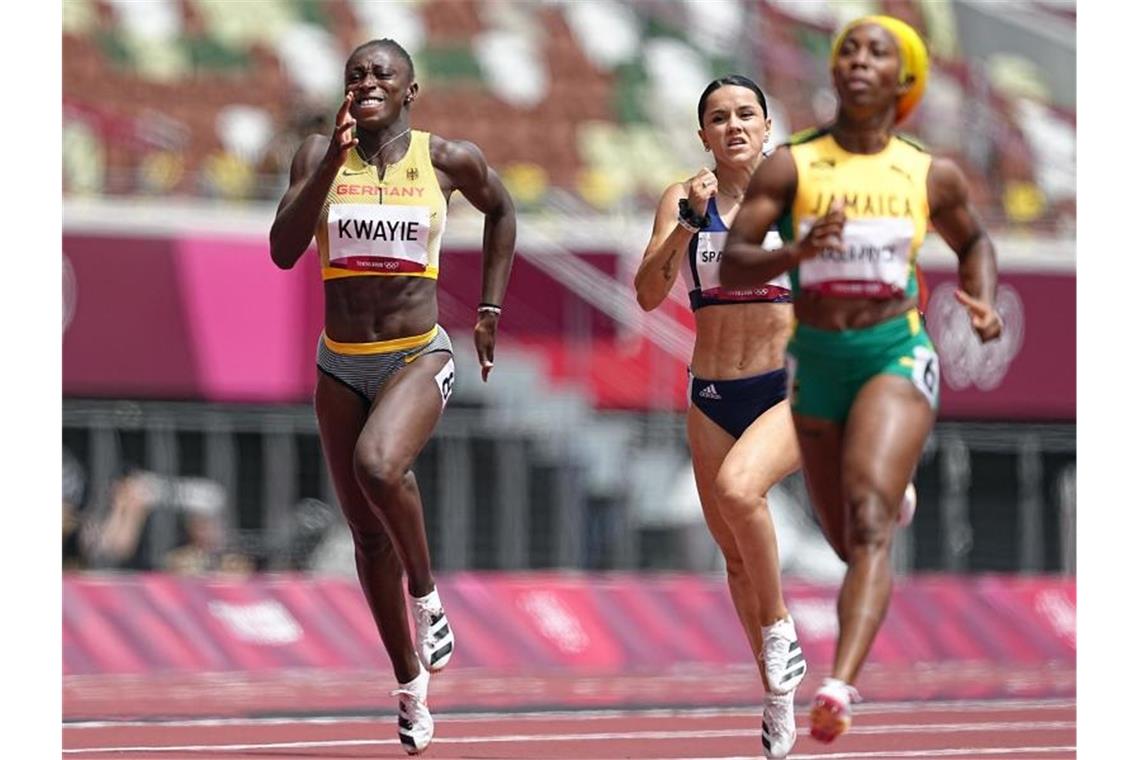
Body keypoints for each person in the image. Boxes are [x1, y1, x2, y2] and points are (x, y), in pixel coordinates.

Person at [720, 16, 1001, 744]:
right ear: (833, 71)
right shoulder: (793, 166)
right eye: (848, 50)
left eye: (878, 53)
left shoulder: (926, 171)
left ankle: (839, 686)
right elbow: (734, 264)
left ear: (904, 82)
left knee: (870, 525)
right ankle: (879, 487)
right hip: (816, 360)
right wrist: (800, 251)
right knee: (845, 538)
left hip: (893, 349)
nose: (859, 62)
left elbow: (974, 241)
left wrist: (982, 296)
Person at [269, 38, 516, 755]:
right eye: (356, 73)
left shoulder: (447, 160)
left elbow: (502, 213)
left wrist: (491, 310)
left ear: (412, 91)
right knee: (366, 534)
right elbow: (285, 248)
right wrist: (329, 167)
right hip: (340, 365)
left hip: (417, 354)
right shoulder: (318, 156)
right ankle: (409, 683)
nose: (368, 80)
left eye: (383, 73)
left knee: (381, 466)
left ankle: (428, 594)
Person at [634, 75, 805, 759]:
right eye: (718, 118)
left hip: (788, 388)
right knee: (734, 559)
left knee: (741, 491)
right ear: (702, 134)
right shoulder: (682, 199)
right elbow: (648, 295)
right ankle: (777, 694)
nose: (733, 126)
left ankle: (780, 630)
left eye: (746, 115)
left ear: (767, 128)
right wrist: (682, 224)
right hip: (711, 394)